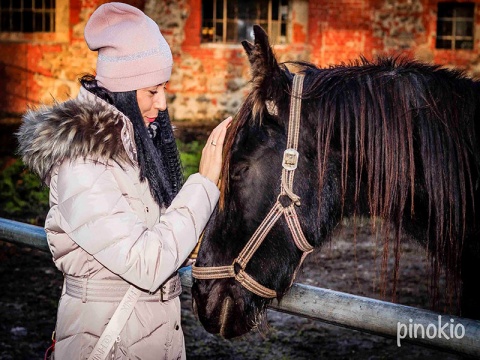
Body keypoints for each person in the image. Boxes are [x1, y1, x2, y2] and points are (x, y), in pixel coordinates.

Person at [16, 3, 231, 359]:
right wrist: (205, 182)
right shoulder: (81, 162)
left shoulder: (138, 148)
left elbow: (154, 234)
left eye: (164, 88)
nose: (162, 104)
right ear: (122, 91)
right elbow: (145, 263)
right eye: (151, 91)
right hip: (107, 344)